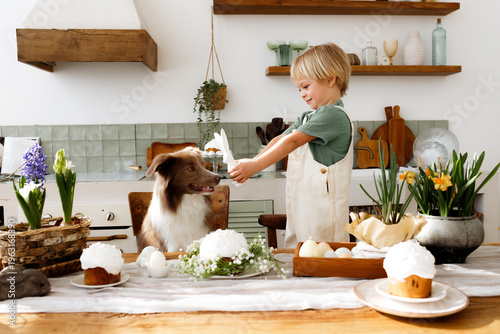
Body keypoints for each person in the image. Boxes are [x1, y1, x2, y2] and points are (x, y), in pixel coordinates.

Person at [229, 42, 353, 248]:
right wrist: (253, 161)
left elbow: (293, 141)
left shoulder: (333, 115)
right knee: (300, 258)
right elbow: (280, 139)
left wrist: (254, 167)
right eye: (299, 89)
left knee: (322, 262)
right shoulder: (308, 116)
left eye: (306, 86)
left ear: (331, 79)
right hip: (302, 210)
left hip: (323, 217)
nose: (302, 94)